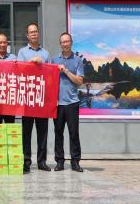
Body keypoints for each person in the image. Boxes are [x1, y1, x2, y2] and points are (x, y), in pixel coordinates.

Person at [17, 22, 51, 174]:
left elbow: (51, 75)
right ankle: (26, 161)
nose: (34, 34)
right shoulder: (22, 52)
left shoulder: (46, 53)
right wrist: (30, 63)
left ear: (38, 33)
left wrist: (42, 64)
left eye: (36, 31)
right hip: (27, 98)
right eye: (31, 32)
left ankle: (42, 161)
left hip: (42, 98)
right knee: (27, 132)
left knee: (42, 131)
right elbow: (18, 70)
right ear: (27, 35)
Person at [52, 32, 85, 173]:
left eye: (67, 41)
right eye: (63, 42)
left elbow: (80, 81)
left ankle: (75, 161)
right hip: (58, 104)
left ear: (71, 42)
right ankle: (59, 161)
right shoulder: (54, 60)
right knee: (58, 133)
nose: (65, 44)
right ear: (60, 44)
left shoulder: (78, 60)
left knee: (74, 133)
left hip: (72, 103)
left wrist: (65, 71)